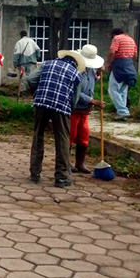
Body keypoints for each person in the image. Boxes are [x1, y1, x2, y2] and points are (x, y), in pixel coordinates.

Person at [27, 50, 84, 188]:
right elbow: (75, 99)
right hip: (61, 107)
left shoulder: (46, 64)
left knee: (38, 136)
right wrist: (68, 111)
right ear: (76, 63)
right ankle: (61, 178)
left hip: (41, 103)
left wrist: (38, 92)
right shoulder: (76, 74)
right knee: (62, 140)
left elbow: (31, 79)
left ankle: (35, 173)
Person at [70, 45, 105, 174]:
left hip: (85, 109)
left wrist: (98, 74)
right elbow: (75, 91)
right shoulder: (75, 70)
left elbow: (92, 83)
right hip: (74, 108)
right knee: (71, 134)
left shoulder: (90, 69)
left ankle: (80, 163)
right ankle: (65, 162)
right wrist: (92, 101)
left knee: (84, 135)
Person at [105, 28, 137, 120]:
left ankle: (123, 111)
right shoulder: (131, 39)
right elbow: (135, 55)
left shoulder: (117, 38)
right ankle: (123, 113)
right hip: (129, 65)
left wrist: (109, 63)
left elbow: (112, 52)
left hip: (119, 65)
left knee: (113, 89)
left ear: (114, 34)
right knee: (123, 90)